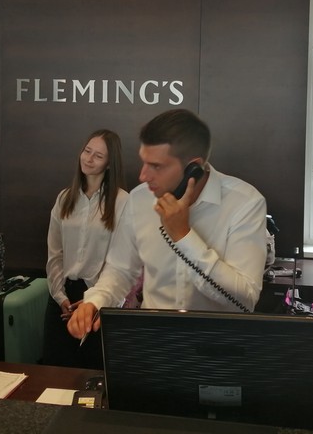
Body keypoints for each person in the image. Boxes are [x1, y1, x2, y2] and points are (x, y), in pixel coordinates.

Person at [67, 109, 267, 340]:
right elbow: (121, 269)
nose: (143, 176)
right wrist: (96, 300)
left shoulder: (245, 203)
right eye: (144, 162)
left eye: (156, 166)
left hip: (215, 343)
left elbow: (245, 297)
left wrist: (183, 236)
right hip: (153, 339)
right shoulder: (140, 198)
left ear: (193, 168)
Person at [42, 129, 128, 369]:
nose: (89, 159)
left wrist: (96, 300)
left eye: (98, 156)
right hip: (62, 295)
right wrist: (60, 296)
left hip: (98, 296)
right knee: (55, 369)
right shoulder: (65, 198)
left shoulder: (122, 201)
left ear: (109, 164)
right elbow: (55, 253)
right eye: (87, 151)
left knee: (92, 372)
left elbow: (122, 262)